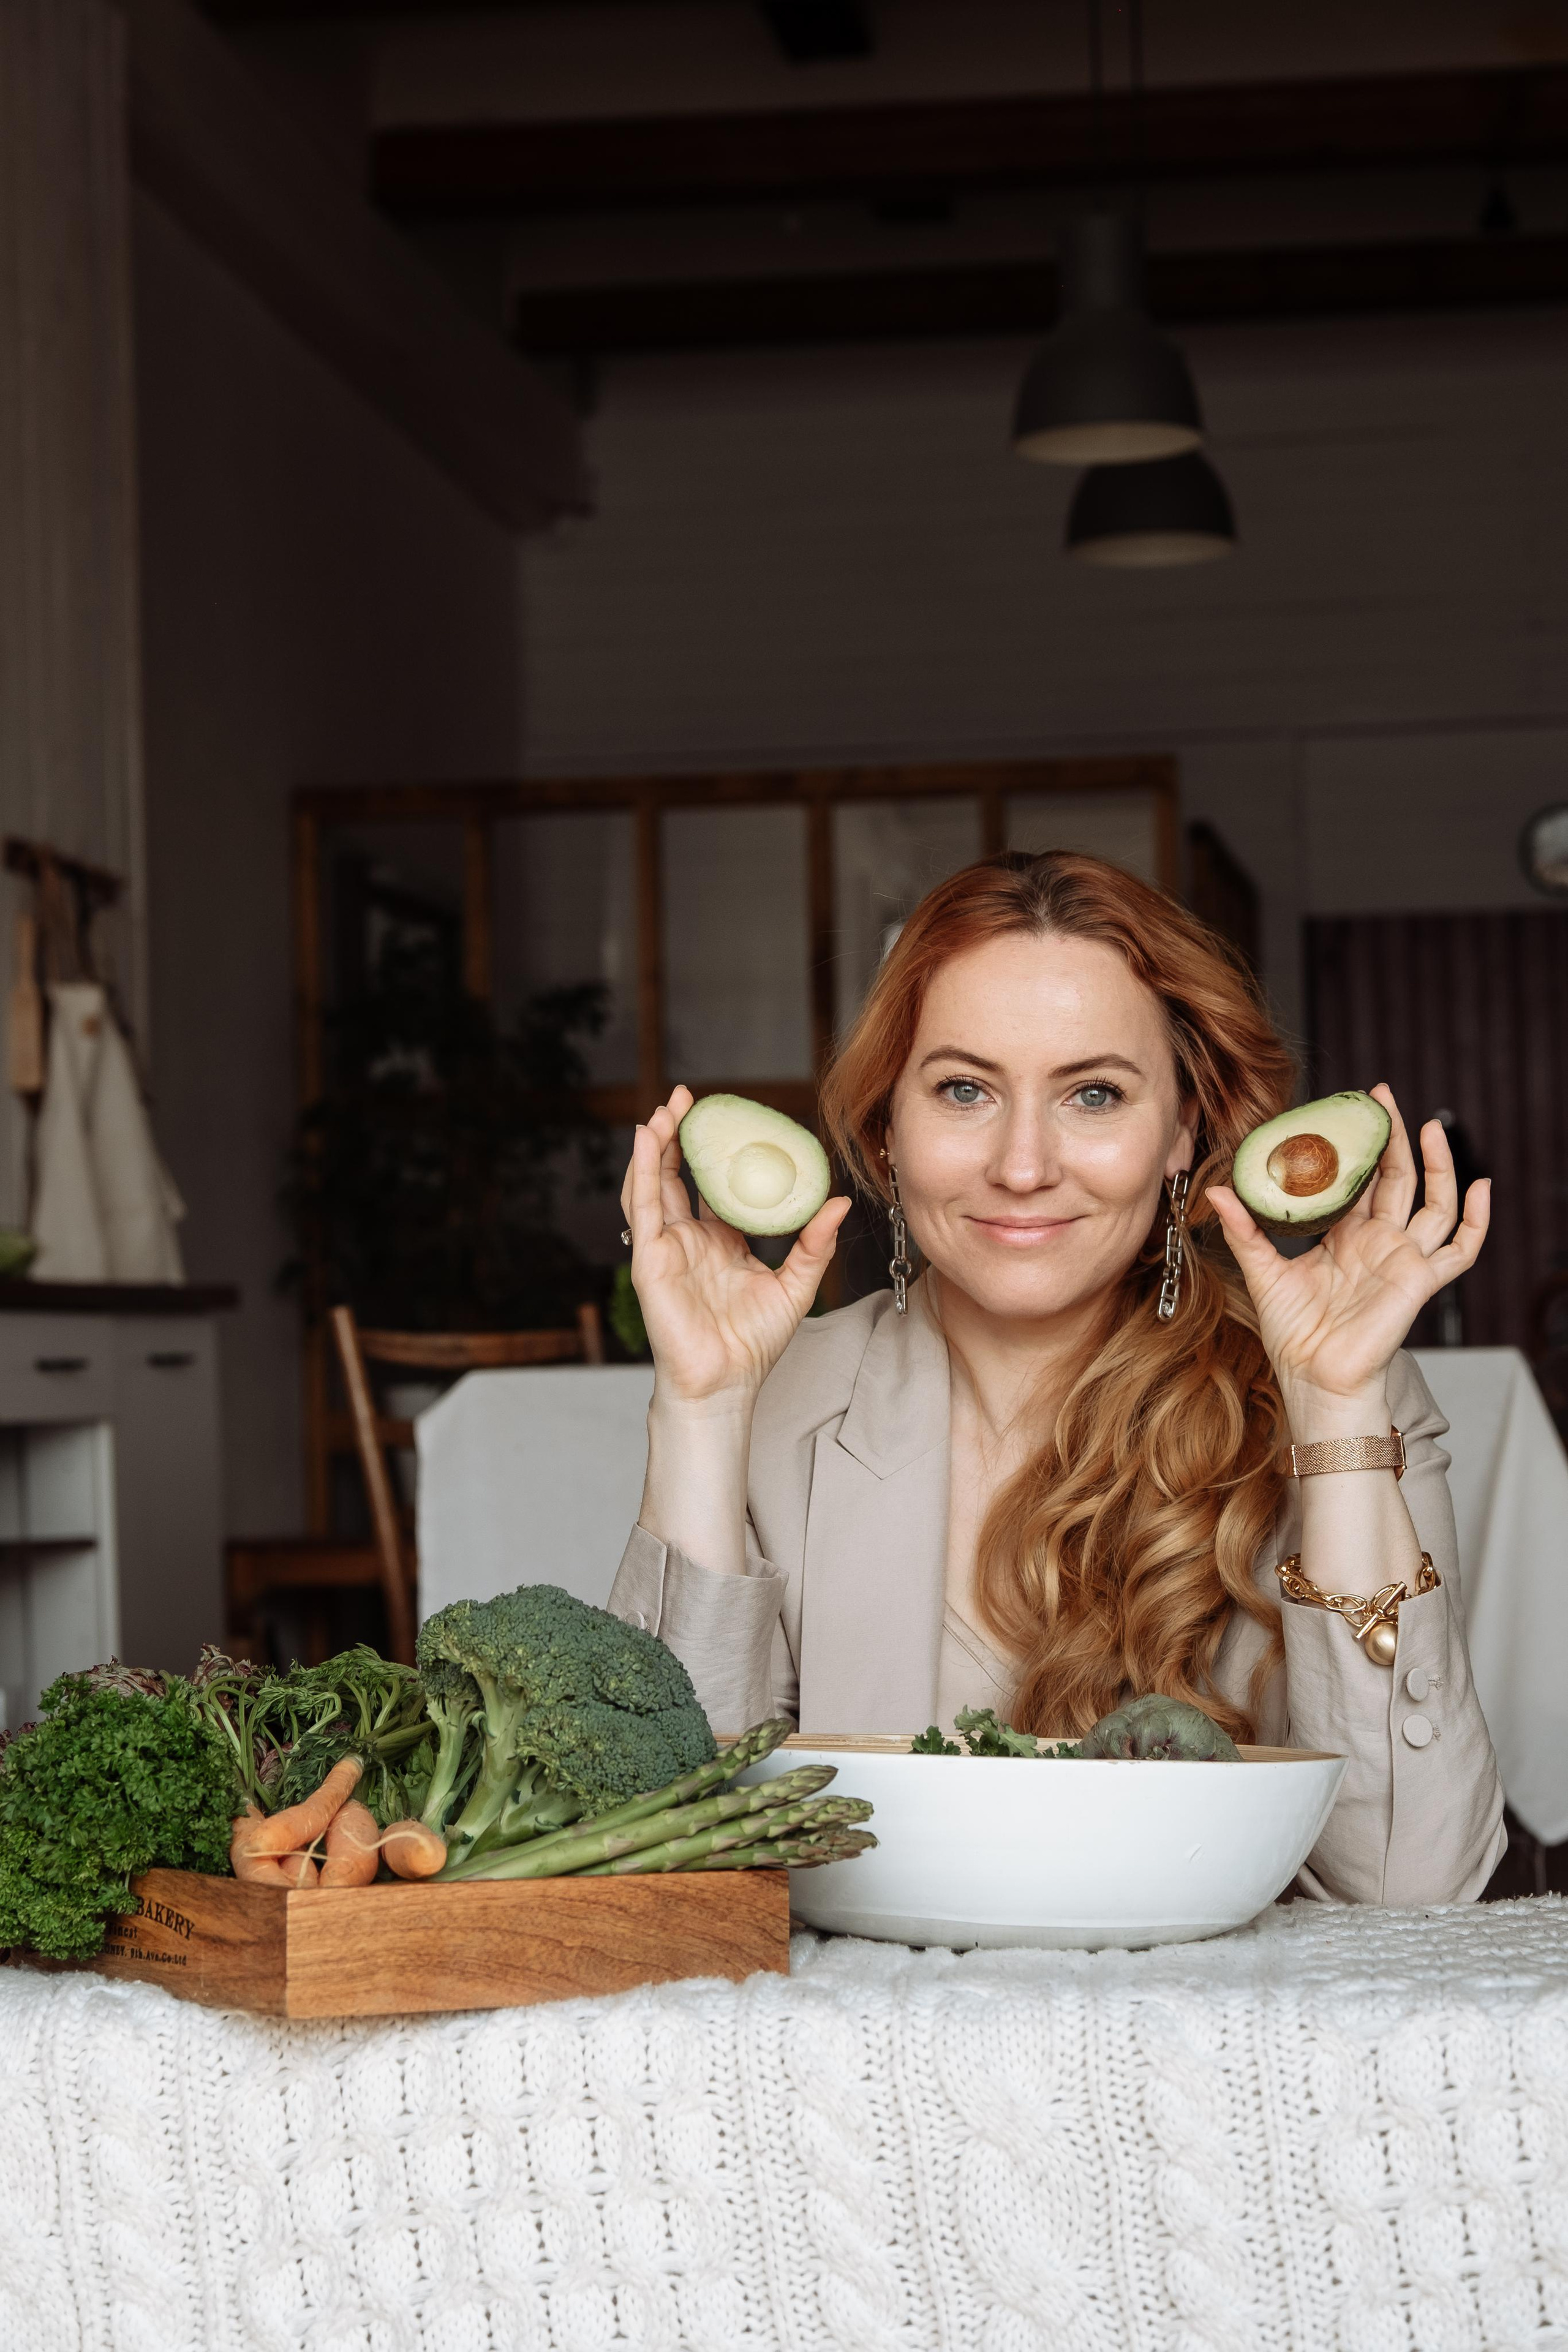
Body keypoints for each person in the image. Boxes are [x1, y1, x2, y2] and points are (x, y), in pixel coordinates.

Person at [609, 852, 1504, 1905]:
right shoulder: (786, 1402)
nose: (1023, 1164)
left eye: (1093, 1093)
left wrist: (1338, 1409)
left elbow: (1410, 1888)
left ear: (1183, 1130)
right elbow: (661, 1850)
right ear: (888, 1130)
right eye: (962, 1090)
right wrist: (707, 1408)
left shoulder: (1353, 1405)